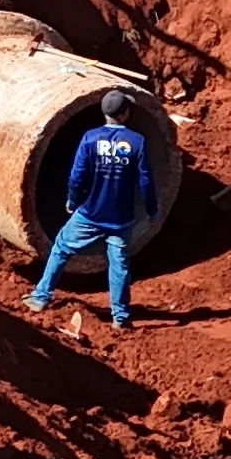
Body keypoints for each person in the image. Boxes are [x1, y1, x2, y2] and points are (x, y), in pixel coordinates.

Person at [27, 90, 154, 330]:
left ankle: (40, 297)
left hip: (90, 213)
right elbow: (146, 181)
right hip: (120, 219)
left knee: (62, 248)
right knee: (119, 265)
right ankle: (120, 317)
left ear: (105, 113)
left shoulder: (90, 138)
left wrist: (73, 201)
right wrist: (151, 209)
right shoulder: (138, 141)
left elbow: (77, 176)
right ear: (125, 114)